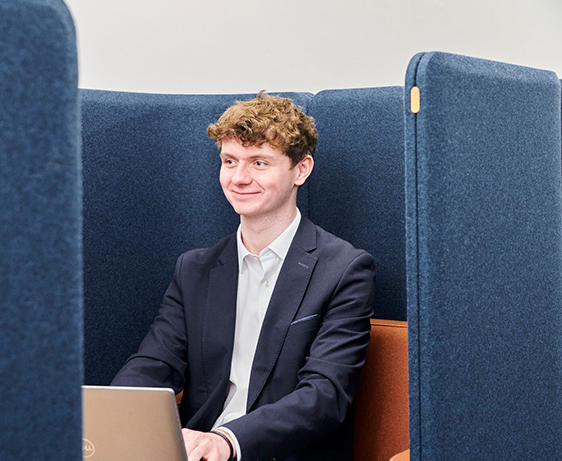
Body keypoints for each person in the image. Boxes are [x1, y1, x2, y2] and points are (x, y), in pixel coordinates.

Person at [112, 93, 376, 461]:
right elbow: (154, 365)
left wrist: (227, 441)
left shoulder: (344, 269)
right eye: (229, 160)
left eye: (259, 163)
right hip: (197, 451)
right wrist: (114, 419)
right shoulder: (195, 269)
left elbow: (324, 395)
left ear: (301, 169)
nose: (239, 178)